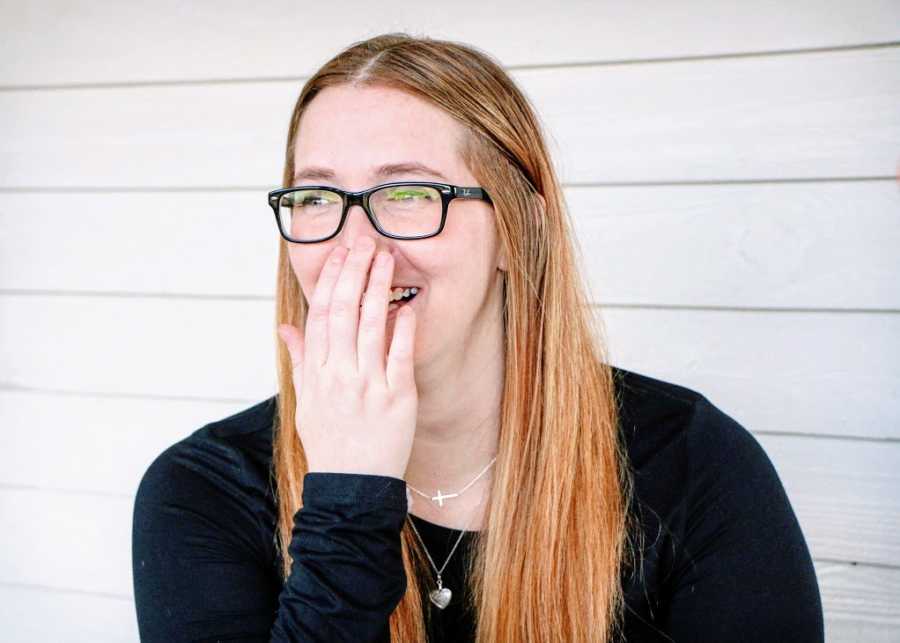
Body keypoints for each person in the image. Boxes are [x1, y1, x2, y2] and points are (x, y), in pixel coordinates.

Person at [131, 33, 824, 642]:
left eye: (407, 194)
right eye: (316, 198)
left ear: (517, 229)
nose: (354, 244)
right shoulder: (205, 491)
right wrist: (349, 494)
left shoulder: (694, 466)